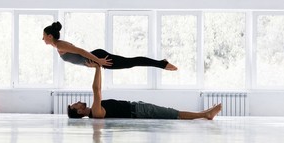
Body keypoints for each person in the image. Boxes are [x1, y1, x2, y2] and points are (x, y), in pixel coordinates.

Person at [67, 60, 222, 120]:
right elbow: (97, 89)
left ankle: (205, 112)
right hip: (139, 110)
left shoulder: (95, 113)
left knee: (172, 112)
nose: (78, 102)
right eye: (76, 105)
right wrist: (97, 67)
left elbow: (97, 90)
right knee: (173, 113)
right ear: (80, 112)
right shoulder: (95, 112)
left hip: (137, 108)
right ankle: (205, 114)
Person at [43, 21, 177, 70]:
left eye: (44, 36)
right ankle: (161, 63)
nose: (42, 39)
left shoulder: (60, 45)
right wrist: (91, 64)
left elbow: (81, 51)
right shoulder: (58, 46)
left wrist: (98, 60)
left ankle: (162, 64)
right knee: (130, 63)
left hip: (99, 57)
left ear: (50, 36)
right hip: (96, 60)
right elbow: (79, 58)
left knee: (131, 62)